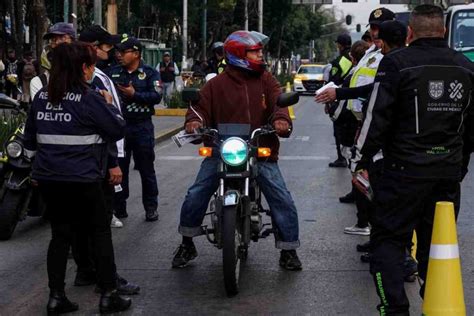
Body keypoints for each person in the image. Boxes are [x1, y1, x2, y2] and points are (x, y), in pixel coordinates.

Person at [351, 5, 473, 314]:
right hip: (446, 172)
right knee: (438, 243)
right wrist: (460, 165)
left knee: (388, 242)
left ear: (410, 32)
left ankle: (394, 308)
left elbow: (375, 119)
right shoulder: (466, 67)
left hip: (401, 173)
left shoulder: (395, 64)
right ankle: (436, 300)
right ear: (444, 31)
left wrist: (360, 158)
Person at [172, 30, 302, 271]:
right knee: (196, 192)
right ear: (239, 54)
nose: (260, 55)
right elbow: (198, 108)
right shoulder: (215, 84)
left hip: (259, 148)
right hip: (222, 150)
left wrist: (281, 119)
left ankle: (288, 249)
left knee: (281, 196)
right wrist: (194, 122)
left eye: (260, 51)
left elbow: (278, 103)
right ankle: (187, 242)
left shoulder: (266, 80)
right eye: (255, 51)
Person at [23, 42, 131, 314]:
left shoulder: (41, 98)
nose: (92, 70)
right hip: (84, 179)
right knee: (99, 233)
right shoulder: (89, 97)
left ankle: (56, 296)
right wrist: (110, 105)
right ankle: (109, 294)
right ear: (83, 68)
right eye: (90, 65)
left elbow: (29, 142)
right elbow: (117, 129)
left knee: (60, 236)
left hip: (49, 180)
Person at [73, 25, 140, 296]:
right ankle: (107, 280)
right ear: (91, 46)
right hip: (98, 161)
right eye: (106, 47)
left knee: (79, 224)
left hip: (79, 164)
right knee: (99, 225)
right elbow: (108, 125)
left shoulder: (91, 75)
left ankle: (86, 271)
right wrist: (114, 161)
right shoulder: (93, 79)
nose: (110, 53)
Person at [108, 36, 161, 222]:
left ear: (136, 54)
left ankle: (151, 207)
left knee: (147, 169)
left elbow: (156, 96)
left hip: (142, 126)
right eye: (118, 52)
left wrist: (135, 94)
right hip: (120, 128)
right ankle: (119, 206)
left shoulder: (150, 73)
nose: (119, 55)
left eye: (123, 52)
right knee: (119, 169)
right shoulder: (113, 72)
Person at [29, 22, 76, 100]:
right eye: (53, 39)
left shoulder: (85, 73)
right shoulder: (38, 82)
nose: (57, 42)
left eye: (62, 38)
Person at [327, 33, 353, 168]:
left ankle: (342, 157)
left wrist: (328, 102)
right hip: (355, 98)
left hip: (340, 99)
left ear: (340, 45)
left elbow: (333, 82)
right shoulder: (357, 57)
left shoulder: (339, 61)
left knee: (338, 129)